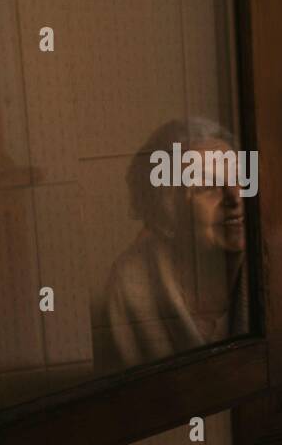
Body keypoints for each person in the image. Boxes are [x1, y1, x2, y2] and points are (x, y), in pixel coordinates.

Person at [101, 117, 249, 371]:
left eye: (240, 178)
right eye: (208, 187)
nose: (235, 198)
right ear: (168, 209)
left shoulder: (273, 258)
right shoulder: (131, 283)